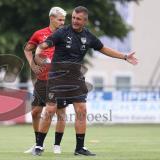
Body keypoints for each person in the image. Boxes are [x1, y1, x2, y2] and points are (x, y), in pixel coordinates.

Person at [32, 6, 138, 156]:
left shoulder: (88, 36)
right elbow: (47, 43)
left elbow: (104, 48)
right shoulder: (62, 32)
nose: (74, 21)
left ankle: (79, 148)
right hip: (57, 77)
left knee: (82, 110)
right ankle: (39, 146)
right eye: (73, 18)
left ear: (85, 21)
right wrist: (39, 49)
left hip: (76, 78)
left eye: (78, 19)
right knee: (50, 110)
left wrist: (124, 56)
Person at [24, 7, 67, 154]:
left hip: (59, 79)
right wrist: (32, 65)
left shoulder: (67, 35)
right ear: (52, 18)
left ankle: (57, 146)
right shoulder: (39, 34)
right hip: (42, 79)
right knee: (35, 112)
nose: (62, 23)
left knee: (59, 112)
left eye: (64, 20)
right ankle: (38, 144)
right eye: (60, 19)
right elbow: (27, 49)